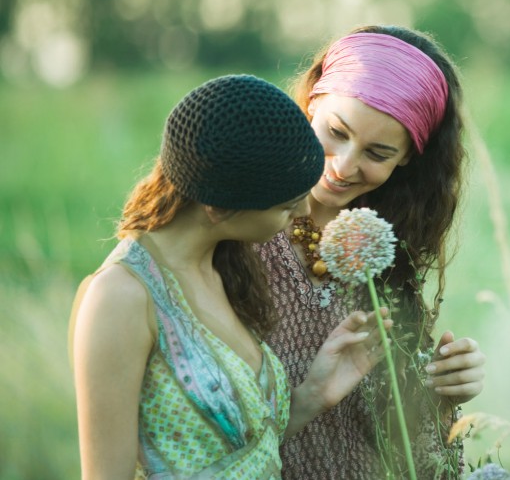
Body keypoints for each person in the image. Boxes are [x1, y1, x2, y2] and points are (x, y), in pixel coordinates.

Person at [70, 74, 391, 479]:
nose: (303, 215)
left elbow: (241, 456)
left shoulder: (224, 268)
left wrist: (313, 395)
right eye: (287, 206)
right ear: (218, 208)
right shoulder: (122, 296)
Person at [258, 25, 486, 479]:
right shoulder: (241, 232)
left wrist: (444, 383)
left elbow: (389, 426)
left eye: (377, 153)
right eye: (336, 132)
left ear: (407, 159)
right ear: (311, 104)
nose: (343, 166)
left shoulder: (384, 247)